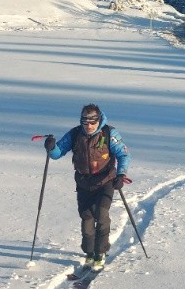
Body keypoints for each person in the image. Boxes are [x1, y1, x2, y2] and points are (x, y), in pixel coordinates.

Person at [43, 103, 131, 271]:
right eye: (85, 122)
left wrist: (121, 174)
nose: (89, 126)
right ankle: (90, 253)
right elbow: (57, 153)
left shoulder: (109, 133)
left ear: (99, 120)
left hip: (105, 181)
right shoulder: (75, 134)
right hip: (83, 183)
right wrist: (51, 147)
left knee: (101, 214)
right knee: (86, 219)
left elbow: (123, 154)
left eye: (92, 122)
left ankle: (101, 252)